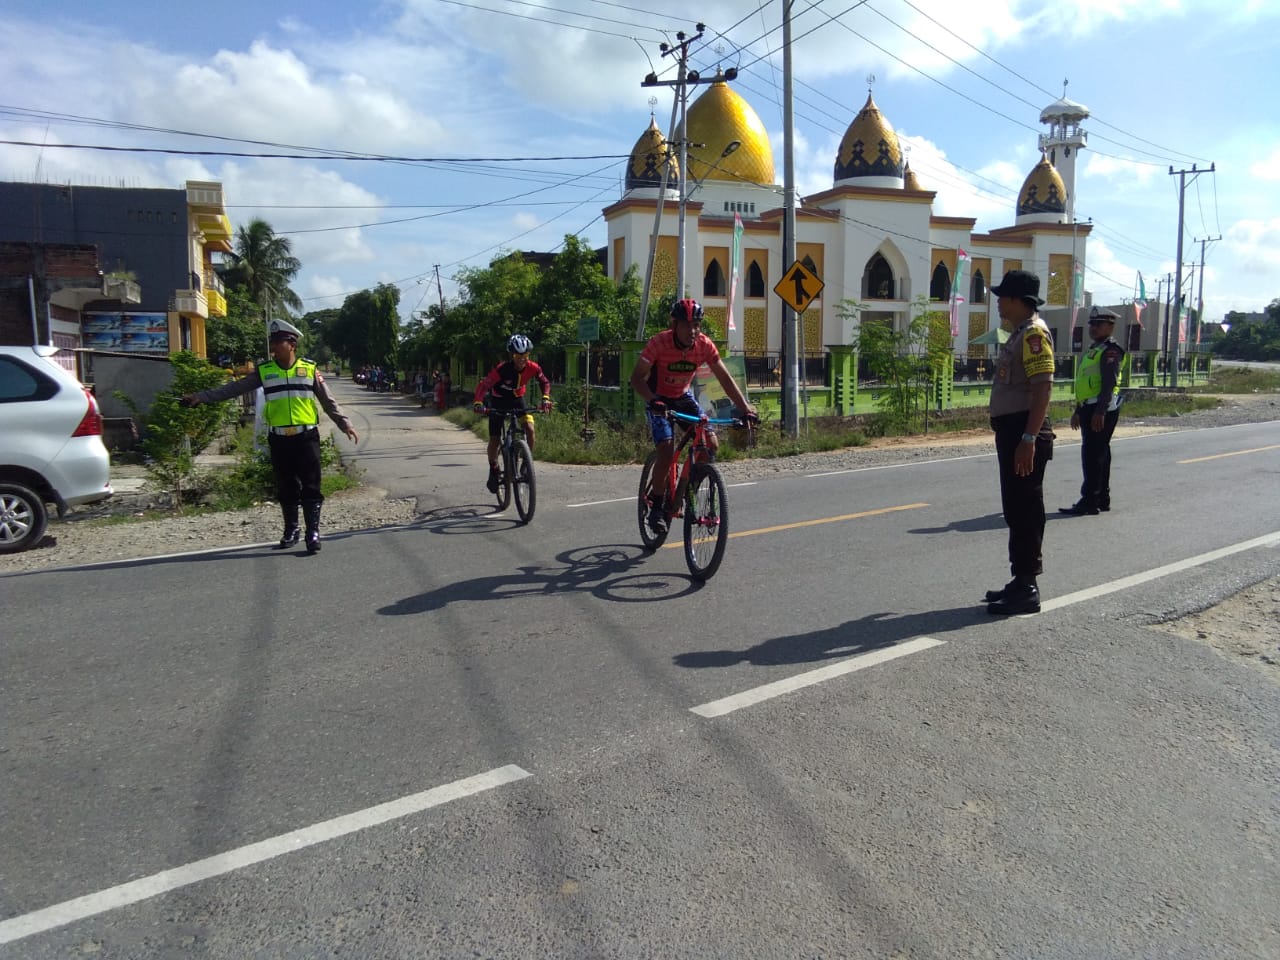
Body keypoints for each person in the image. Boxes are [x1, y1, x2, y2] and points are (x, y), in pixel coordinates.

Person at [182, 318, 359, 554]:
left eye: (278, 342)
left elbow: (328, 401)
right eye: (272, 342)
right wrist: (202, 397)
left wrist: (344, 423)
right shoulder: (264, 372)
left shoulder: (309, 369)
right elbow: (232, 389)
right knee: (286, 487)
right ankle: (291, 530)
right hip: (279, 439)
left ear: (292, 344)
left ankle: (312, 533)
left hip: (306, 438)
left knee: (311, 486)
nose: (273, 347)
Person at [630, 298, 758, 536]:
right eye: (687, 325)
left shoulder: (704, 345)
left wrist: (746, 409)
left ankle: (685, 490)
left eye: (697, 324)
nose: (693, 330)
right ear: (674, 324)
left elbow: (725, 380)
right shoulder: (659, 343)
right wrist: (653, 400)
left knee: (710, 443)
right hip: (658, 398)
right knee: (666, 449)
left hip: (682, 397)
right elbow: (636, 379)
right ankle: (657, 505)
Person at [984, 270, 1056, 615]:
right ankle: (1020, 579)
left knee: (1026, 510)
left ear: (1017, 300)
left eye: (1003, 296)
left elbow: (1043, 388)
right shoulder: (1018, 334)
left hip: (1024, 432)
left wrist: (1028, 437)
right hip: (1014, 431)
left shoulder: (1034, 335)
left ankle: (1027, 587)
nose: (998, 301)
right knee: (1015, 508)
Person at [1061, 306, 1126, 516]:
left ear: (1110, 326)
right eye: (1091, 324)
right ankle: (1101, 498)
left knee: (1092, 455)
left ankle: (1089, 500)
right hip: (1090, 406)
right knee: (1100, 453)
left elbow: (1109, 383)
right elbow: (1086, 383)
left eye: (1098, 324)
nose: (1093, 328)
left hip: (1101, 408)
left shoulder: (1110, 350)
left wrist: (1100, 411)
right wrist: (1078, 410)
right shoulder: (1095, 349)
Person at [473, 334, 552, 493]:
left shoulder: (533, 367)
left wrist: (545, 398)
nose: (521, 359)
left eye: (525, 355)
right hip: (498, 400)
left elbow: (544, 382)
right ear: (512, 355)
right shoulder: (502, 369)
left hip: (517, 398)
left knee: (529, 429)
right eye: (517, 355)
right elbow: (484, 385)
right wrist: (478, 402)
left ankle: (525, 465)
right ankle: (494, 467)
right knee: (495, 439)